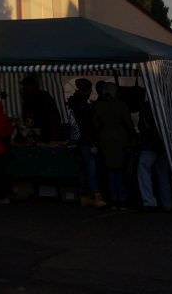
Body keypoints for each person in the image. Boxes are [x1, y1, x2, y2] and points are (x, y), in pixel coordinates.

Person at [92, 82, 136, 210]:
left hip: (105, 140)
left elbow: (95, 123)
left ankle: (113, 198)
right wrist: (133, 136)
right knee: (121, 170)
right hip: (120, 140)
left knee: (110, 170)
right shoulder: (121, 105)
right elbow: (128, 123)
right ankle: (122, 198)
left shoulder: (98, 106)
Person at [67, 79, 105, 208]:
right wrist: (93, 141)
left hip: (78, 140)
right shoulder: (83, 105)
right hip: (85, 140)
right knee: (90, 167)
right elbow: (87, 125)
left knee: (83, 167)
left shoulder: (74, 103)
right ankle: (95, 194)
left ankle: (85, 195)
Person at [136, 95, 172, 212]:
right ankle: (167, 202)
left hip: (150, 144)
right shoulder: (169, 105)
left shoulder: (147, 107)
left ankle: (149, 201)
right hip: (164, 144)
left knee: (144, 169)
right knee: (162, 173)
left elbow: (142, 126)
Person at [20, 75, 62, 143]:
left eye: (24, 87)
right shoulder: (27, 100)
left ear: (31, 87)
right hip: (37, 135)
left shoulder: (43, 97)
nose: (22, 90)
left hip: (49, 135)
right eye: (22, 88)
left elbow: (52, 118)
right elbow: (28, 118)